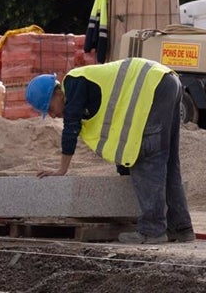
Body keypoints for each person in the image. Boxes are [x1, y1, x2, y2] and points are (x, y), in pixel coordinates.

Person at [26, 57, 194, 245]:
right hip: (165, 81)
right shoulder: (86, 90)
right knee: (168, 163)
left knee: (145, 157)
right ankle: (181, 228)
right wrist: (123, 169)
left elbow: (70, 129)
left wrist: (61, 169)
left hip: (153, 86)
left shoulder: (73, 83)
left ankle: (152, 230)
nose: (53, 115)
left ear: (57, 94)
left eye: (49, 108)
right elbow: (117, 133)